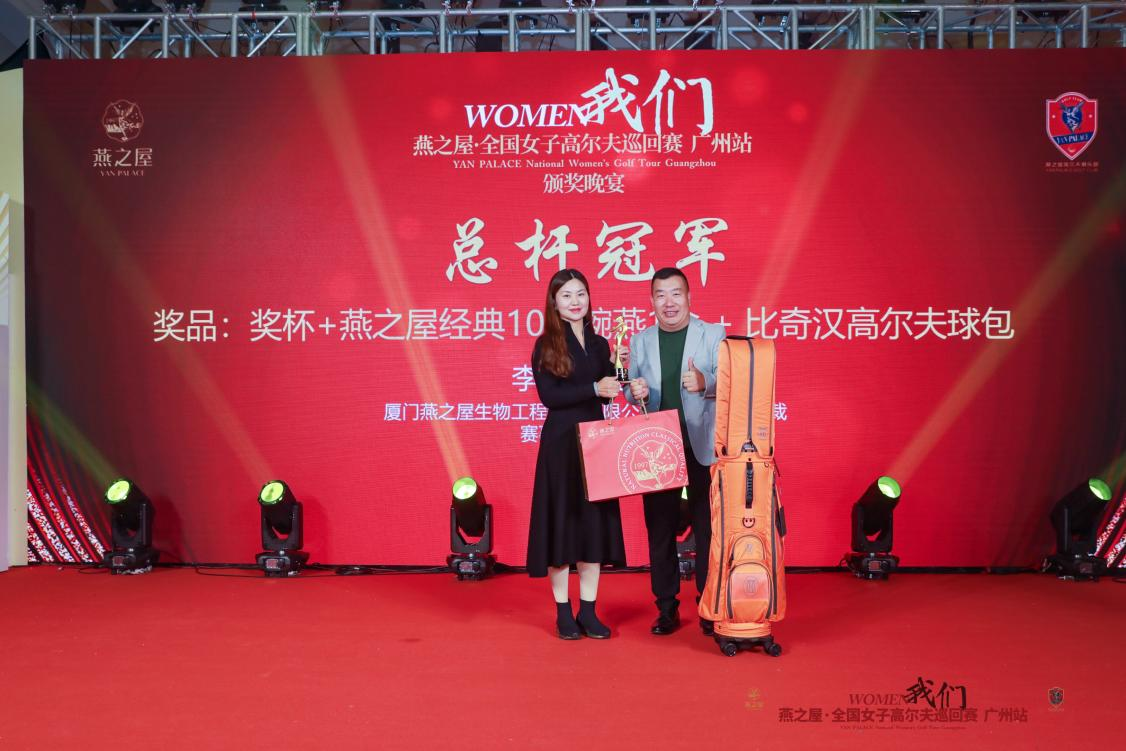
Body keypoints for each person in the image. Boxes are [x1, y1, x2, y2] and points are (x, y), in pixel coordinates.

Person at [624, 267, 725, 636]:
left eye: (676, 293)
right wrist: (633, 391)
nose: (669, 302)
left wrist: (705, 382)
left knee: (707, 528)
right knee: (660, 529)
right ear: (652, 301)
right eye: (661, 295)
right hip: (657, 447)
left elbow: (730, 379)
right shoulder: (640, 340)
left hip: (702, 444)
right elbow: (631, 388)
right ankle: (666, 608)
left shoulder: (712, 333)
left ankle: (708, 606)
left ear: (688, 297)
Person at [527, 268, 627, 640]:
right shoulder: (546, 345)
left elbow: (611, 389)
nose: (575, 301)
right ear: (554, 302)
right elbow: (550, 397)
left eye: (581, 293)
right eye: (567, 295)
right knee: (561, 528)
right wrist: (593, 388)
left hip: (595, 444)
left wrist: (620, 366)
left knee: (592, 528)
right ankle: (563, 612)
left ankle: (588, 611)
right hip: (561, 445)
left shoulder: (600, 344)